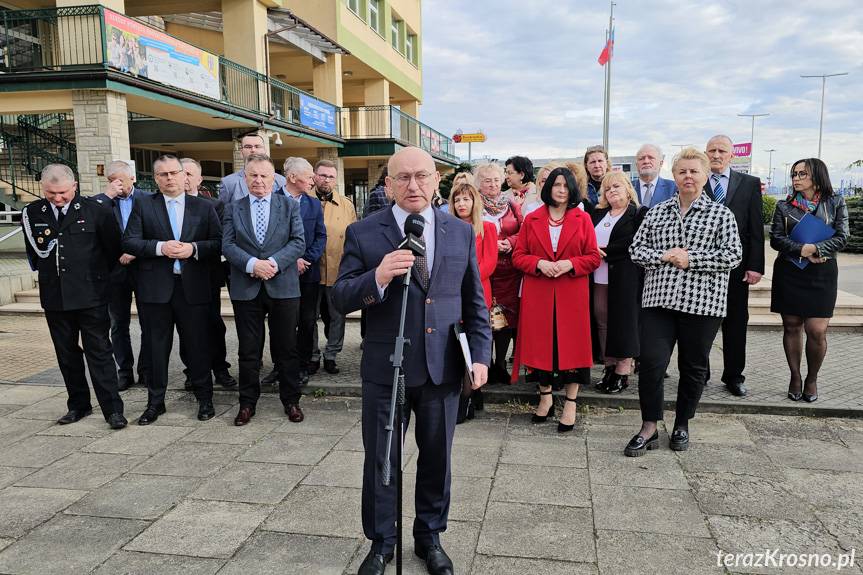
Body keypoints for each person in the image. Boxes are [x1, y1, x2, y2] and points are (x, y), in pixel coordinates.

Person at [333, 147, 491, 575]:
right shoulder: (365, 233)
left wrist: (480, 355)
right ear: (388, 184)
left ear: (436, 179)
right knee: (382, 459)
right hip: (388, 368)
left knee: (437, 458)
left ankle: (429, 536)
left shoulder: (458, 232)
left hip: (443, 368)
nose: (413, 185)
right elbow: (340, 295)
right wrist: (378, 277)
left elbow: (475, 301)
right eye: (402, 178)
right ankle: (382, 542)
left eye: (421, 176)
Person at [626, 148, 742, 456]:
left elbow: (732, 255)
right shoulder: (658, 211)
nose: (688, 176)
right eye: (682, 172)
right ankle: (649, 426)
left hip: (702, 306)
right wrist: (665, 255)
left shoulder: (721, 214)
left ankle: (682, 423)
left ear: (705, 176)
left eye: (694, 171)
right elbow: (636, 251)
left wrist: (691, 259)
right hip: (658, 301)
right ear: (674, 176)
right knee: (651, 363)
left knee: (692, 367)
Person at [22, 164, 127, 429]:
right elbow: (35, 254)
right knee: (66, 354)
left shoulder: (97, 210)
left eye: (62, 193)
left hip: (91, 294)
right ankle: (78, 405)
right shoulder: (33, 212)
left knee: (100, 352)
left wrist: (99, 283)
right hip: (55, 296)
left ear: (74, 187)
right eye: (50, 193)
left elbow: (113, 250)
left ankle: (113, 410)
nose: (57, 199)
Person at [122, 154, 222, 425]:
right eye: (163, 174)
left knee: (198, 347)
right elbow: (130, 241)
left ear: (184, 175)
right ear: (156, 178)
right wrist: (159, 248)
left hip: (193, 289)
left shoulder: (203, 207)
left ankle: (205, 399)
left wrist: (193, 249)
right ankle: (155, 403)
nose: (170, 178)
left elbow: (218, 242)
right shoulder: (144, 205)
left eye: (175, 173)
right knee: (156, 348)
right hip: (155, 290)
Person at [511, 167, 600, 432]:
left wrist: (569, 264)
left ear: (572, 190)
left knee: (572, 349)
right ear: (547, 187)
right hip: (538, 293)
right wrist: (538, 263)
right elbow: (518, 256)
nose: (561, 190)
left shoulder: (582, 219)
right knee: (541, 348)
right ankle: (546, 398)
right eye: (556, 184)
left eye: (565, 185)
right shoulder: (533, 218)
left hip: (571, 293)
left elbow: (594, 257)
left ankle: (571, 403)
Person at [221, 154, 307, 426]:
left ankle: (291, 401)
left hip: (283, 286)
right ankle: (247, 404)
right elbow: (228, 244)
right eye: (253, 175)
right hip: (247, 288)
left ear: (274, 179)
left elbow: (298, 242)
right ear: (245, 178)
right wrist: (251, 264)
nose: (258, 180)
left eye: (264, 175)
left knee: (286, 349)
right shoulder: (233, 208)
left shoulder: (289, 206)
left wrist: (271, 263)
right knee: (248, 351)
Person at [770, 158, 849, 403]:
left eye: (802, 173)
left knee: (816, 330)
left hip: (822, 272)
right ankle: (795, 376)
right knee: (791, 325)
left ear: (817, 176)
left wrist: (816, 248)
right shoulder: (784, 206)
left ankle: (812, 378)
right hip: (790, 270)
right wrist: (800, 249)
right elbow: (775, 238)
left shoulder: (835, 202)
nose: (796, 177)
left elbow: (843, 235)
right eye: (794, 173)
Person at [704, 135, 765, 397]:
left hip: (736, 267)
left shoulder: (749, 184)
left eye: (721, 151)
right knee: (700, 321)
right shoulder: (695, 180)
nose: (716, 155)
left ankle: (734, 376)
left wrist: (756, 266)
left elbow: (755, 228)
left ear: (732, 156)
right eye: (711, 150)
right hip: (702, 266)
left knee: (736, 322)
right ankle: (699, 374)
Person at [259, 158, 326, 387]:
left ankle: (302, 366)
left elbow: (320, 236)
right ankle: (280, 367)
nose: (313, 180)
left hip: (307, 274)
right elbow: (266, 238)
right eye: (309, 176)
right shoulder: (270, 200)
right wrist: (289, 260)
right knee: (279, 324)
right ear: (292, 177)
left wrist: (306, 259)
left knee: (307, 322)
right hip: (278, 273)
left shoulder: (314, 204)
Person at [91, 160, 152, 392]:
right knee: (118, 324)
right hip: (114, 271)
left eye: (120, 180)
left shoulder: (148, 199)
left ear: (132, 178)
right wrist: (106, 197)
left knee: (149, 322)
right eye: (110, 181)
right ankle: (124, 371)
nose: (116, 184)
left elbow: (156, 230)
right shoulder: (100, 203)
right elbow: (92, 229)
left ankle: (146, 371)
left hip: (144, 268)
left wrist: (135, 251)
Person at [179, 157, 237, 390]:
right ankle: (192, 370)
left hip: (206, 274)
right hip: (178, 278)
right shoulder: (162, 206)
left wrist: (193, 249)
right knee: (186, 328)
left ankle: (219, 368)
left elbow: (221, 239)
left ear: (199, 179)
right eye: (179, 173)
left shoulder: (214, 206)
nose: (183, 178)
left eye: (189, 174)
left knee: (213, 324)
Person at [592, 172, 646, 393]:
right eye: (607, 188)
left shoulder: (638, 214)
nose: (612, 191)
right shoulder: (598, 214)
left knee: (624, 323)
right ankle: (609, 366)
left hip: (625, 277)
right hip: (599, 276)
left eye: (616, 186)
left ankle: (622, 372)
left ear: (627, 188)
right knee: (601, 318)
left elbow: (633, 243)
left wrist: (602, 252)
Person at [449, 181, 498, 422]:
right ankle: (468, 396)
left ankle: (468, 398)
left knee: (475, 345)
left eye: (466, 199)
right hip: (452, 296)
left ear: (474, 202)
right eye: (457, 200)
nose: (461, 204)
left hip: (477, 294)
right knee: (460, 348)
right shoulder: (449, 228)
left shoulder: (487, 228)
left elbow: (489, 264)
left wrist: (463, 279)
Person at [476, 162, 522, 384]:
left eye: (495, 180)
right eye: (487, 180)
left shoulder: (511, 205)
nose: (492, 184)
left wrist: (511, 242)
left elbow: (524, 232)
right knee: (483, 318)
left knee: (505, 319)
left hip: (508, 271)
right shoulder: (475, 206)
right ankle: (485, 362)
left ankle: (501, 363)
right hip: (484, 270)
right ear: (479, 184)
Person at [311, 159, 356, 376]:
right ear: (314, 176)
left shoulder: (347, 204)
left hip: (338, 269)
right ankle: (312, 355)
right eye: (322, 175)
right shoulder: (303, 200)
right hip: (310, 270)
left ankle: (331, 354)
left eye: (330, 176)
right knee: (309, 317)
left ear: (335, 179)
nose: (326, 180)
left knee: (337, 316)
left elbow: (354, 238)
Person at [218, 132, 287, 203]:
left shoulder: (281, 181)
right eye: (248, 147)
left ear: (264, 150)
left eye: (257, 146)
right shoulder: (228, 183)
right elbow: (222, 212)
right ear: (241, 152)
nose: (253, 150)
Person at [632, 144, 676, 209]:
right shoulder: (627, 188)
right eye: (641, 158)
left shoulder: (674, 188)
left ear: (661, 163)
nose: (646, 161)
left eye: (651, 157)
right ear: (636, 164)